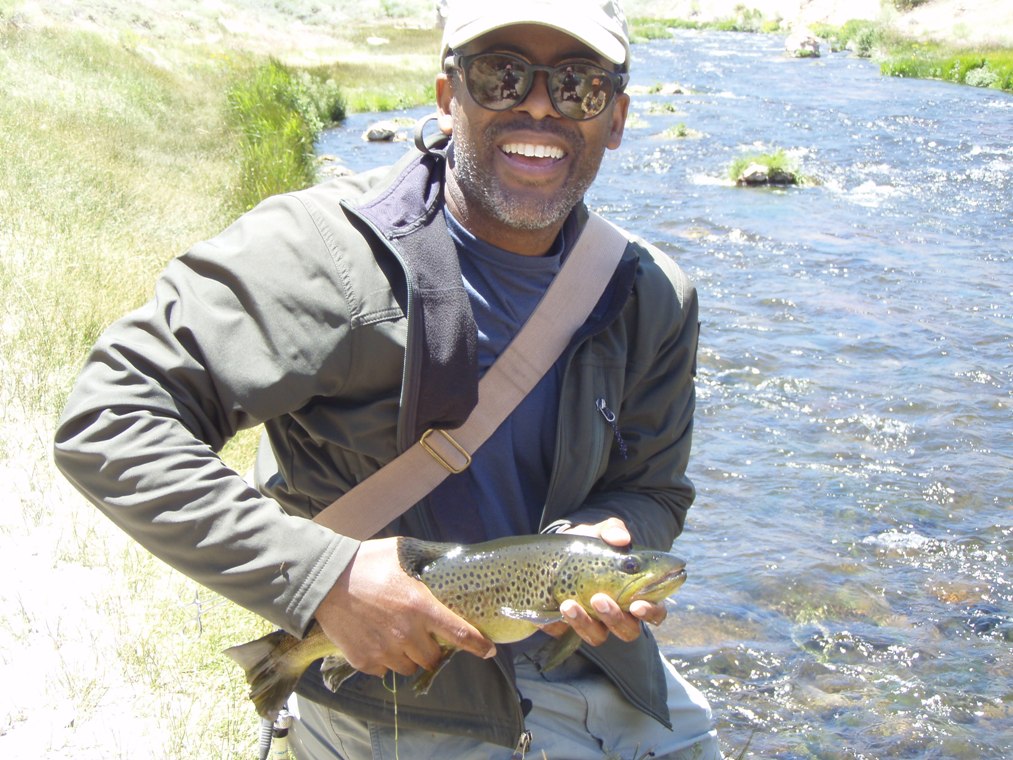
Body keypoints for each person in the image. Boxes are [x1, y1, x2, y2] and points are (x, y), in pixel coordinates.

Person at [53, 0, 719, 757]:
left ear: (617, 117)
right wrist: (322, 578)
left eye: (578, 86)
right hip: (403, 711)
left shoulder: (651, 293)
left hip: (616, 688)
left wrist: (605, 540)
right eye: (501, 76)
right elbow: (109, 417)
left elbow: (654, 486)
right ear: (448, 97)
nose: (539, 105)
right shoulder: (319, 253)